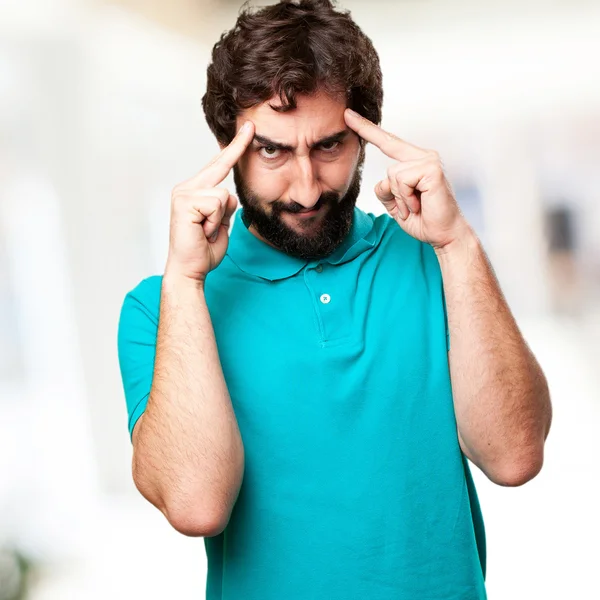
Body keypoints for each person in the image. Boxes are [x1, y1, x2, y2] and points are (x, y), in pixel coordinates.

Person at [117, 1, 552, 598]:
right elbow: (196, 504)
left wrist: (456, 244)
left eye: (329, 146)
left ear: (365, 134)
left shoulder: (437, 261)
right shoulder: (160, 309)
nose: (306, 188)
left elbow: (515, 457)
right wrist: (187, 284)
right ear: (229, 149)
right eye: (271, 150)